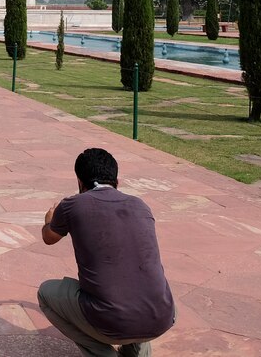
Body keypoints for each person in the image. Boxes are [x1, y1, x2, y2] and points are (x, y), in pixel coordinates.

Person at [38, 148, 175, 357]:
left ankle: (103, 354)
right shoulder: (140, 205)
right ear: (116, 180)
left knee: (46, 293)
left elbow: (49, 238)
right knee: (139, 290)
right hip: (163, 316)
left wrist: (50, 219)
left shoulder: (72, 205)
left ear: (79, 182)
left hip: (111, 320)